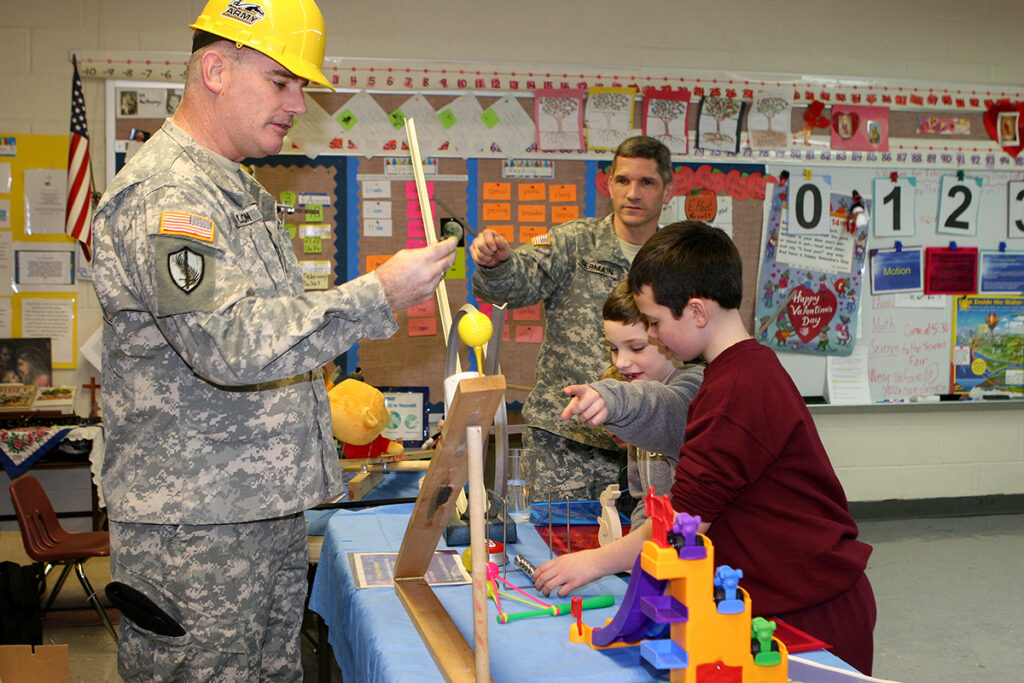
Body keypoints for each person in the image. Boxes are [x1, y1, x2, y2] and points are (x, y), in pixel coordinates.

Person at [90, 1, 457, 680]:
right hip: (195, 532)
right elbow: (230, 343)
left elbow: (273, 332)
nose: (298, 103)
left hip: (259, 512)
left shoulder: (235, 191)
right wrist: (377, 293)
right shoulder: (169, 194)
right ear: (216, 68)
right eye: (281, 82)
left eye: (303, 87)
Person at [623, 220, 876, 674]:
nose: (654, 334)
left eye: (656, 321)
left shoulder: (736, 389)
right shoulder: (738, 370)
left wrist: (591, 564)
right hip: (786, 599)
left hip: (812, 612)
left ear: (697, 312)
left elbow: (684, 527)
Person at [470, 135, 675, 499]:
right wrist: (497, 265)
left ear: (667, 190)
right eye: (623, 180)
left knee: (639, 548)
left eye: (647, 182)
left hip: (645, 447)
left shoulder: (676, 259)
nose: (633, 193)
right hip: (563, 441)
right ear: (608, 183)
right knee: (550, 545)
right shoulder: (574, 242)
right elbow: (513, 285)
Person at [532, 279, 702, 595]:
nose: (621, 362)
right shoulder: (647, 393)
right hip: (665, 569)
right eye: (612, 348)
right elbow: (644, 506)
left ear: (665, 333)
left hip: (700, 575)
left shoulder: (694, 389)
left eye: (636, 347)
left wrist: (608, 397)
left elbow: (654, 404)